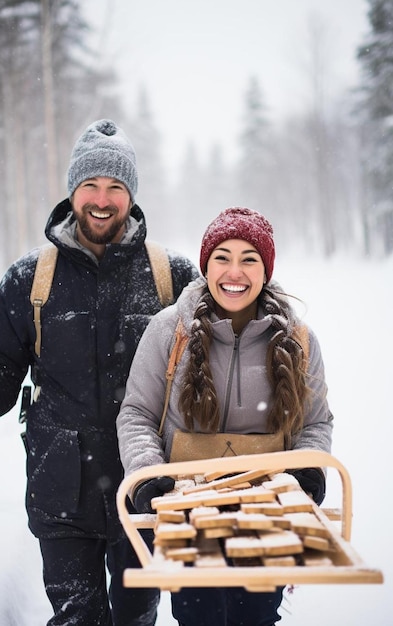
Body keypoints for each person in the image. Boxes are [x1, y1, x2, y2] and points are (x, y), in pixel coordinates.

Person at [0, 119, 198, 626]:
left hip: (146, 490)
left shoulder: (174, 277)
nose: (102, 199)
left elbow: (219, 368)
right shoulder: (30, 278)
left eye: (115, 187)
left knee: (136, 617)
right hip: (61, 495)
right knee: (77, 619)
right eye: (91, 185)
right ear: (73, 190)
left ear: (131, 195)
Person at [117, 206, 334, 626]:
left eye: (249, 259)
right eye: (223, 257)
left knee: (255, 615)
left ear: (265, 270)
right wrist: (149, 474)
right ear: (206, 265)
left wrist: (308, 473)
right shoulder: (169, 331)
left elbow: (315, 422)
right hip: (186, 513)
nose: (234, 271)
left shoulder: (299, 339)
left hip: (268, 513)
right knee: (198, 616)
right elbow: (137, 413)